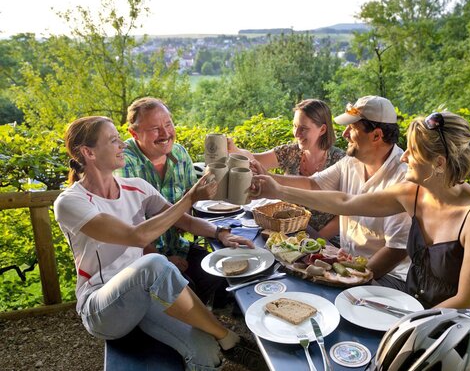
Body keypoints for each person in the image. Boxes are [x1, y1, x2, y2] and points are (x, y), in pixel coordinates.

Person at [253, 111, 470, 355]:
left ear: (438, 163)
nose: (403, 157)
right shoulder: (413, 193)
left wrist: (402, 330)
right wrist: (278, 191)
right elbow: (345, 202)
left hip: (459, 332)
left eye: (412, 152)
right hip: (414, 310)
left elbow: (467, 302)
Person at [54, 116, 244, 370]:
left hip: (145, 294)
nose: (122, 144)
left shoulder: (137, 188)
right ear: (88, 152)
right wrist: (190, 197)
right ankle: (226, 335)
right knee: (154, 262)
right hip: (102, 306)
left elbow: (183, 220)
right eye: (113, 140)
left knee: (206, 354)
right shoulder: (71, 202)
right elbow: (137, 237)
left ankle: (218, 338)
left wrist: (220, 233)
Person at [253, 95, 412, 290]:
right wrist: (267, 179)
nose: (345, 133)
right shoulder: (352, 161)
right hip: (346, 262)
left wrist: (349, 279)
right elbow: (312, 184)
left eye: (352, 128)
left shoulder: (403, 178)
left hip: (386, 276)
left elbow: (396, 250)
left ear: (377, 135)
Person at [116, 97, 253, 306]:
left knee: (222, 272)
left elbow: (190, 202)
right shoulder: (124, 164)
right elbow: (128, 231)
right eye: (154, 128)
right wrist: (161, 261)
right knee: (186, 289)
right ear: (134, 133)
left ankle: (205, 319)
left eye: (168, 124)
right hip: (142, 261)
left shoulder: (179, 153)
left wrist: (222, 233)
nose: (165, 133)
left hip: (176, 246)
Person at [227, 99, 345, 239]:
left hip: (325, 239)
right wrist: (233, 149)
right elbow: (255, 160)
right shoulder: (291, 151)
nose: (296, 133)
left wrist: (315, 241)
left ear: (323, 129)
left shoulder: (340, 161)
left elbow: (344, 214)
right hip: (288, 233)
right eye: (294, 126)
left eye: (303, 128)